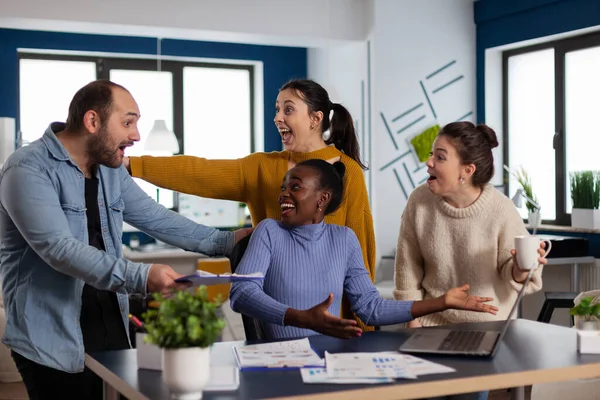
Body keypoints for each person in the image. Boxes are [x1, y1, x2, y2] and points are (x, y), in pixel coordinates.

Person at [0, 80, 252, 400]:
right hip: (51, 337)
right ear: (92, 121)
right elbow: (58, 249)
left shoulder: (109, 169)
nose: (135, 135)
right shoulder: (27, 168)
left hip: (111, 326)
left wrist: (225, 242)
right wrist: (143, 276)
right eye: (128, 122)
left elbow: (153, 215)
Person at [123, 79, 376, 331]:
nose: (278, 117)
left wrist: (364, 330)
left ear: (315, 118)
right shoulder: (261, 168)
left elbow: (361, 254)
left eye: (288, 109)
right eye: (277, 109)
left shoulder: (347, 171)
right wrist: (130, 164)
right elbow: (199, 171)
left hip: (332, 324)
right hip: (275, 319)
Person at [228, 159, 499, 340]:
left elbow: (370, 308)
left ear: (322, 199)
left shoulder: (344, 239)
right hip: (280, 366)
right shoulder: (268, 231)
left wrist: (440, 303)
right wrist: (301, 318)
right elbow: (241, 292)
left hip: (329, 362)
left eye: (295, 187)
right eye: (283, 188)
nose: (283, 194)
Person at [393, 122, 548, 400]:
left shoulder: (501, 209)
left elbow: (514, 274)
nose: (428, 162)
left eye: (440, 157)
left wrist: (522, 267)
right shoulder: (419, 201)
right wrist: (412, 323)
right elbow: (408, 269)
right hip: (430, 328)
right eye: (432, 154)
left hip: (484, 333)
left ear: (467, 171)